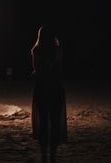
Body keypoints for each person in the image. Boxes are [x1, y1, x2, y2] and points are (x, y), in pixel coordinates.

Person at [31, 26, 67, 163]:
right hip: (56, 88)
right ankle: (52, 154)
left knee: (44, 122)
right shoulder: (58, 50)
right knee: (55, 122)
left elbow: (37, 70)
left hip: (42, 88)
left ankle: (44, 154)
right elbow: (59, 68)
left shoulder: (36, 50)